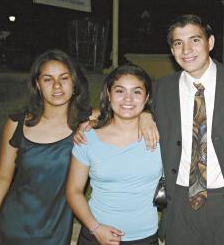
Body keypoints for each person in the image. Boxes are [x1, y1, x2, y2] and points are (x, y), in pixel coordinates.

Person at [148, 14, 224, 245]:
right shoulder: (162, 90)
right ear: (172, 51)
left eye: (194, 40)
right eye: (178, 43)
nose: (187, 49)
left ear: (210, 43)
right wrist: (145, 116)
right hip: (180, 204)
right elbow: (124, 109)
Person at [0, 49, 90, 244]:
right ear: (37, 84)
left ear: (74, 83)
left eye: (64, 78)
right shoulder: (16, 124)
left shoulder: (88, 123)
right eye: (47, 79)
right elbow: (2, 178)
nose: (57, 86)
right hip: (11, 227)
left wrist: (146, 118)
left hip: (55, 232)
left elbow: (129, 115)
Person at [66, 63, 162, 245]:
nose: (128, 99)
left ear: (146, 97)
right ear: (109, 94)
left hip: (145, 237)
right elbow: (73, 191)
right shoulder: (88, 136)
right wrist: (95, 228)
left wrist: (147, 115)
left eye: (136, 92)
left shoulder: (159, 135)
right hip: (95, 235)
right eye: (120, 91)